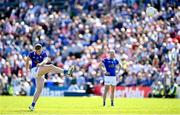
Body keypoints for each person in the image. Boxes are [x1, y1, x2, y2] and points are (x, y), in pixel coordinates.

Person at [26, 43, 75, 111]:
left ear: (41, 49)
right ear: (35, 50)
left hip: (40, 72)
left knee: (39, 90)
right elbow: (27, 60)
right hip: (34, 70)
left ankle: (32, 105)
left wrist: (41, 64)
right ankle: (67, 72)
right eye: (37, 51)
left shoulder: (44, 53)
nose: (38, 52)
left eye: (39, 51)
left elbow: (45, 60)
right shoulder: (32, 53)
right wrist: (27, 70)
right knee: (51, 66)